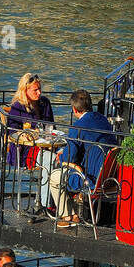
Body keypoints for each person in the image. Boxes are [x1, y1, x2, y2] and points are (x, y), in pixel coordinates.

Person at [48, 89, 117, 226]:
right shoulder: (103, 120)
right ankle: (73, 210)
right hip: (109, 177)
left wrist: (61, 157)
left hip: (90, 179)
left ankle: (67, 216)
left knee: (55, 177)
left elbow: (70, 158)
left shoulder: (78, 126)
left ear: (74, 109)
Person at [6, 72, 55, 167]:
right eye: (35, 90)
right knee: (51, 160)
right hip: (25, 149)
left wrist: (49, 142)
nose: (39, 93)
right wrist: (29, 134)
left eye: (39, 89)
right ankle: (47, 182)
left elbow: (51, 126)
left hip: (46, 144)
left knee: (64, 155)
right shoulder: (18, 106)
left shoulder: (45, 102)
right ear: (25, 91)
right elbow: (12, 133)